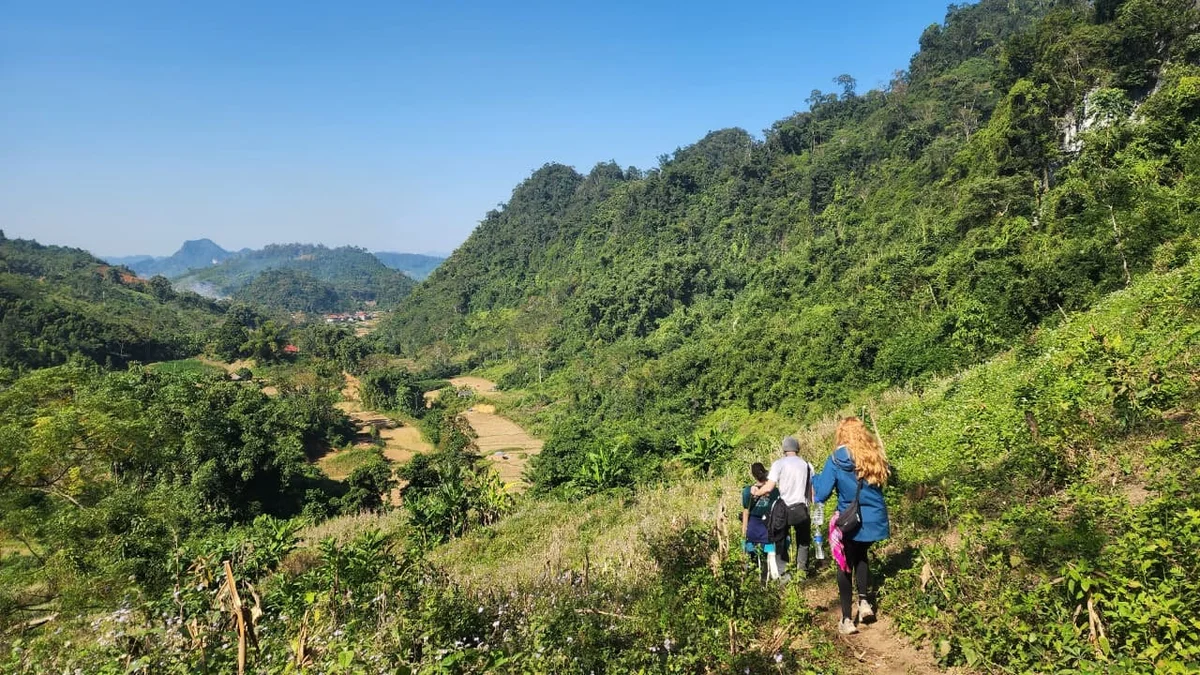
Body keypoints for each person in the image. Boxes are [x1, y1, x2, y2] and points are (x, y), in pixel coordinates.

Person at [813, 416, 891, 635]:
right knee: (861, 556)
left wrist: (815, 479)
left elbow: (821, 493)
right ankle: (864, 602)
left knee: (844, 564)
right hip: (874, 518)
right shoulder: (873, 455)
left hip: (851, 520)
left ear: (841, 434)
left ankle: (847, 619)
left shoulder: (837, 459)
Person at [751, 436, 815, 579]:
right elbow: (811, 492)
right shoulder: (807, 465)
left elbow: (769, 487)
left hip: (784, 509)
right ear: (797, 449)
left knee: (780, 540)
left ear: (784, 449)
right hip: (802, 508)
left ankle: (784, 574)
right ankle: (802, 572)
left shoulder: (779, 464)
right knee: (803, 541)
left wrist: (757, 492)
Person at [741, 462, 781, 581]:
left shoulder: (747, 491)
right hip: (768, 526)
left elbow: (745, 511)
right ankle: (766, 581)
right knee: (766, 556)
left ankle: (753, 582)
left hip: (752, 527)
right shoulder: (774, 491)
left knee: (752, 557)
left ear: (753, 475)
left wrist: (744, 531)